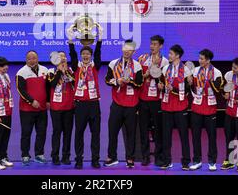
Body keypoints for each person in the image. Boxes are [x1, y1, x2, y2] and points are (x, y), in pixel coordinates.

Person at [105, 40, 144, 168]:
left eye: (130, 49)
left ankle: (130, 158)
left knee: (131, 133)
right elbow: (107, 80)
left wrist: (130, 81)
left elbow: (139, 83)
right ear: (122, 49)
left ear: (133, 51)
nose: (127, 51)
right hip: (117, 103)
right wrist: (117, 81)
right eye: (125, 48)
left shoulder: (137, 66)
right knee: (113, 131)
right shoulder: (113, 64)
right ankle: (112, 157)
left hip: (132, 105)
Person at [68, 26, 102, 169]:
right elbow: (72, 54)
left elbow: (99, 53)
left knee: (95, 134)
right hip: (80, 104)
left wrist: (100, 38)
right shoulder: (77, 67)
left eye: (88, 54)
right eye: (84, 54)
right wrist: (70, 38)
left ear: (91, 55)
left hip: (94, 104)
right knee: (79, 133)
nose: (86, 56)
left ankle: (95, 159)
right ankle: (79, 159)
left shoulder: (95, 66)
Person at [160, 44, 193, 170]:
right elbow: (162, 84)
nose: (169, 56)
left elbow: (187, 90)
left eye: (171, 54)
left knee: (183, 135)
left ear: (177, 56)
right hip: (167, 106)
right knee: (166, 136)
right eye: (169, 53)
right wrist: (162, 87)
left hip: (180, 107)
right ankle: (167, 161)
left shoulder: (186, 70)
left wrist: (172, 88)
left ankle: (185, 162)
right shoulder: (165, 69)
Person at [190, 49, 224, 172]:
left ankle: (212, 161)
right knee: (196, 136)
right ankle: (197, 160)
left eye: (202, 59)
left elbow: (218, 90)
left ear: (208, 60)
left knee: (212, 136)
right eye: (199, 58)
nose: (200, 61)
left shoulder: (217, 72)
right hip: (197, 106)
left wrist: (208, 80)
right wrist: (190, 82)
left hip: (210, 107)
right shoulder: (194, 71)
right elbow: (192, 87)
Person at [137, 35, 168, 166]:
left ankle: (158, 156)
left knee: (158, 129)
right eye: (151, 44)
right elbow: (137, 78)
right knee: (143, 128)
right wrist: (147, 73)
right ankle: (145, 156)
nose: (152, 46)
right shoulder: (142, 59)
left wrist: (161, 83)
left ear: (160, 46)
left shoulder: (165, 62)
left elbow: (166, 81)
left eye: (155, 44)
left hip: (157, 99)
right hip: (143, 98)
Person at [16, 51, 49, 166]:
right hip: (27, 110)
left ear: (38, 58)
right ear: (26, 60)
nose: (32, 60)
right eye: (29, 58)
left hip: (42, 109)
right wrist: (32, 101)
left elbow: (48, 87)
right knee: (26, 133)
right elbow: (21, 90)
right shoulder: (21, 72)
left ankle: (39, 154)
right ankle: (25, 155)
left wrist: (48, 101)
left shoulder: (45, 70)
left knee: (42, 132)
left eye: (34, 58)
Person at [47, 52, 75, 165]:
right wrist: (59, 71)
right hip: (56, 107)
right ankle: (55, 156)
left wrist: (65, 71)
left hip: (69, 106)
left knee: (68, 132)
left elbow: (74, 83)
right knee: (57, 131)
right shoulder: (51, 72)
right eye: (60, 56)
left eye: (64, 56)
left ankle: (66, 156)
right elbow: (52, 84)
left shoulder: (71, 71)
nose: (62, 58)